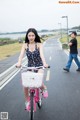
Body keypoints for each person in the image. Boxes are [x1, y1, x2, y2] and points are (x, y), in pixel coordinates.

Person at [16, 28, 49, 110]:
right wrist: (19, 63)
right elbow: (20, 56)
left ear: (35, 36)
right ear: (27, 36)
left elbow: (42, 55)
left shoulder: (39, 45)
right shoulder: (24, 45)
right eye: (29, 35)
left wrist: (44, 64)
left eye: (32, 35)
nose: (31, 37)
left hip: (39, 66)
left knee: (38, 78)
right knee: (25, 84)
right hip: (30, 66)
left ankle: (44, 88)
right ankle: (27, 101)